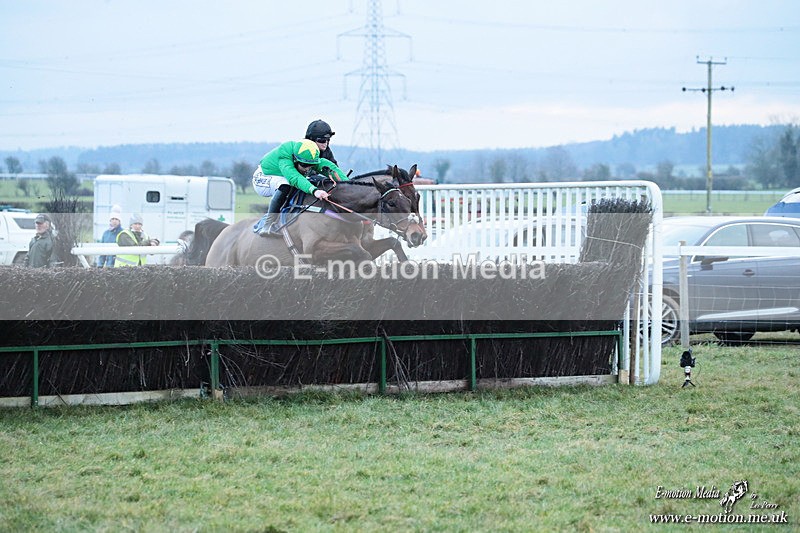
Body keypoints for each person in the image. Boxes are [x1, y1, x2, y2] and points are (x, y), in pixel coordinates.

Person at [252, 139, 348, 236]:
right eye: (305, 165)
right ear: (295, 159)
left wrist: (347, 183)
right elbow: (293, 177)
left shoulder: (307, 157)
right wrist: (314, 191)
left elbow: (327, 166)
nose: (308, 169)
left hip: (282, 176)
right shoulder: (285, 156)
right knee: (285, 185)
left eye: (311, 165)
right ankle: (267, 225)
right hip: (263, 177)